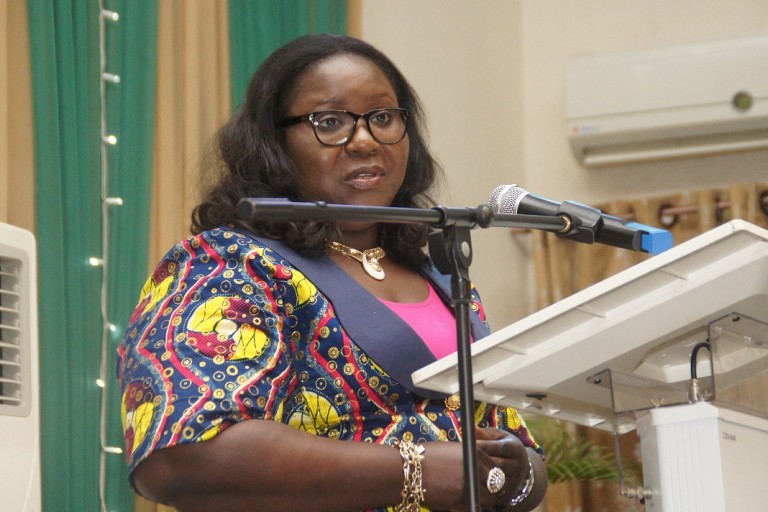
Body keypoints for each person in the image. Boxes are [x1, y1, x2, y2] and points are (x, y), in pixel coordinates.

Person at [117, 33, 546, 512]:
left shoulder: (442, 279)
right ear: (274, 143)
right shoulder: (230, 266)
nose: (364, 141)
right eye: (330, 122)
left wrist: (521, 473)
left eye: (382, 118)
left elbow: (510, 444)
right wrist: (415, 470)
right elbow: (181, 457)